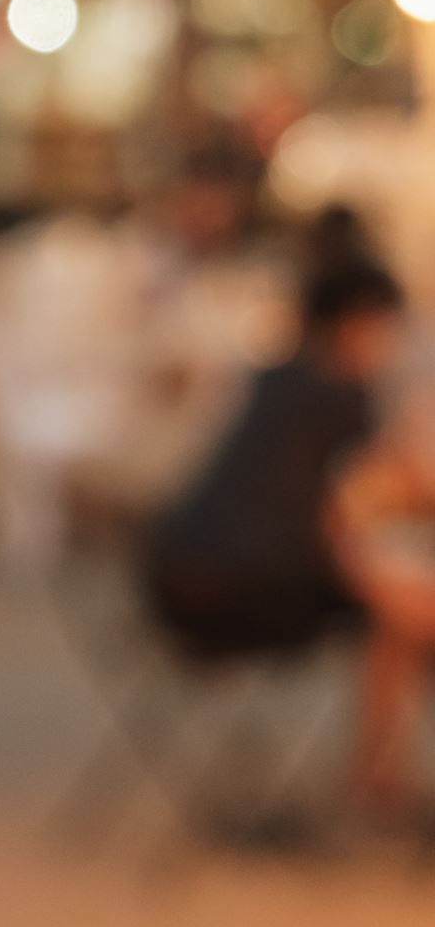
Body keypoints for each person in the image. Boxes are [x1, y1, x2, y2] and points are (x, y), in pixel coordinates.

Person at [144, 262, 429, 805]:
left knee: (397, 605)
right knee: (402, 614)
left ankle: (377, 775)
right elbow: (341, 518)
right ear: (359, 323)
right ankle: (376, 780)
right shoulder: (341, 390)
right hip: (239, 590)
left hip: (170, 579)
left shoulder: (275, 376)